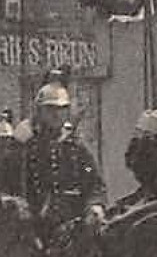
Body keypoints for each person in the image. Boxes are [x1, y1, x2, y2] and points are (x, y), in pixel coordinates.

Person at [20, 70, 107, 243]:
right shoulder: (29, 148)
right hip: (36, 228)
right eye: (50, 109)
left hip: (74, 225)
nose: (56, 114)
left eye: (61, 109)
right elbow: (17, 187)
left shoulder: (77, 148)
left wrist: (95, 205)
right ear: (40, 111)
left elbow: (95, 184)